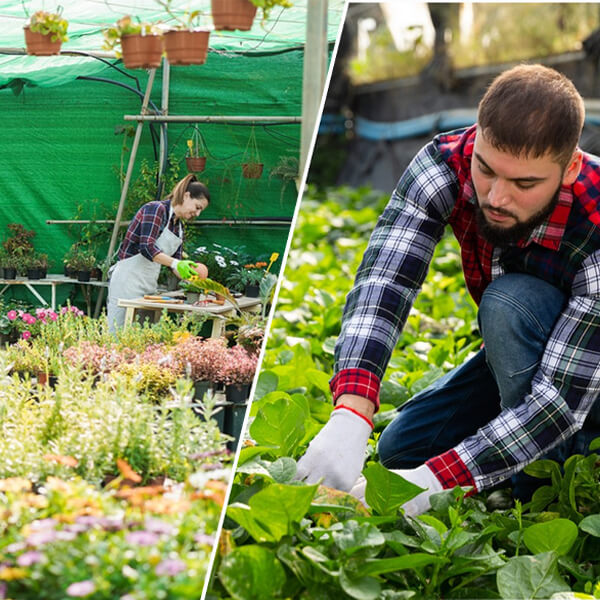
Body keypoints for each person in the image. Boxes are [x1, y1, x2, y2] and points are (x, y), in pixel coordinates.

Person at [296, 64, 600, 515]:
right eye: (487, 170)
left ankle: (547, 484)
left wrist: (440, 479)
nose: (496, 197)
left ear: (570, 166)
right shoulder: (446, 163)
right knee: (402, 450)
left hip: (586, 372)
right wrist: (352, 409)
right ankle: (511, 460)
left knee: (509, 304)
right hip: (526, 354)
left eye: (524, 184)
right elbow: (385, 279)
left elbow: (558, 397)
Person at [107, 174, 210, 332]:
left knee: (142, 335)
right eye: (197, 207)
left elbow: (173, 264)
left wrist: (195, 281)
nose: (197, 214)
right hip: (127, 282)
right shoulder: (156, 209)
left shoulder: (178, 227)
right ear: (186, 196)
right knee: (118, 331)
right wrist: (176, 263)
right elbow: (147, 247)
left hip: (149, 286)